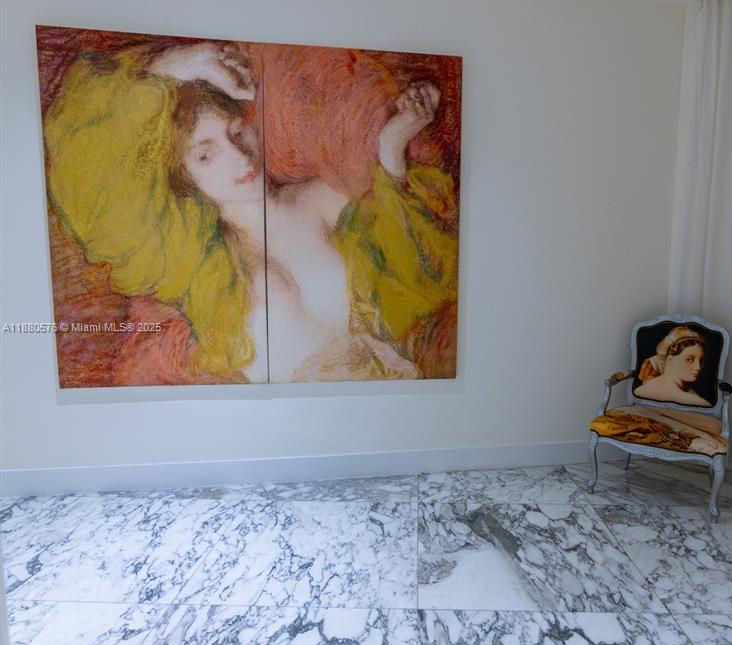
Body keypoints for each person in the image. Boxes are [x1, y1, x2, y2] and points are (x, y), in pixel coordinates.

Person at [44, 39, 458, 385]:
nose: (239, 157)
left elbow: (407, 246)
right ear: (183, 175)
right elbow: (92, 173)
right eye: (206, 155)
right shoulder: (196, 257)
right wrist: (173, 65)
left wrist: (393, 144)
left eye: (236, 132)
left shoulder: (314, 199)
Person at [633, 325, 712, 406]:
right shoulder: (698, 403)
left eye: (701, 360)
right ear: (670, 359)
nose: (698, 367)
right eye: (689, 360)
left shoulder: (639, 390)